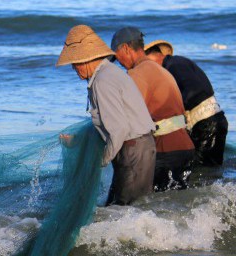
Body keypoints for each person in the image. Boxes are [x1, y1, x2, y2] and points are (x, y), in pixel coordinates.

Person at [57, 25, 156, 206]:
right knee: (123, 208)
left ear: (86, 59)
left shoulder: (102, 81)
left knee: (126, 211)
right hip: (137, 148)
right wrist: (78, 141)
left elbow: (119, 129)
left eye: (74, 62)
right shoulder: (108, 73)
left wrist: (100, 161)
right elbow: (109, 125)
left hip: (133, 150)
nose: (73, 68)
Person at [111, 27, 195, 191]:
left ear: (126, 49)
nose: (119, 63)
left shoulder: (137, 73)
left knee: (153, 206)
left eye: (117, 57)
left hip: (167, 150)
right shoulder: (160, 70)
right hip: (185, 147)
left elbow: (127, 117)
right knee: (176, 206)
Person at [144, 40, 228, 167]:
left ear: (154, 57)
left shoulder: (173, 66)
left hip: (206, 124)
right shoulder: (179, 62)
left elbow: (192, 92)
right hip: (214, 119)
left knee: (201, 171)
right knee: (211, 169)